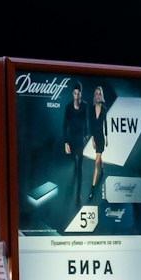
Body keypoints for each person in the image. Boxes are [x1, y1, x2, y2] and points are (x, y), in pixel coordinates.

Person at [60, 84, 88, 222]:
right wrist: (66, 143)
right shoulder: (68, 108)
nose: (77, 96)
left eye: (79, 93)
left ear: (81, 94)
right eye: (75, 93)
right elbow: (65, 125)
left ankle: (78, 196)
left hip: (80, 140)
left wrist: (87, 135)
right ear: (73, 94)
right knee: (74, 161)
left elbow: (86, 121)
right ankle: (75, 164)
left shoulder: (85, 106)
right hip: (71, 139)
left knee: (79, 166)